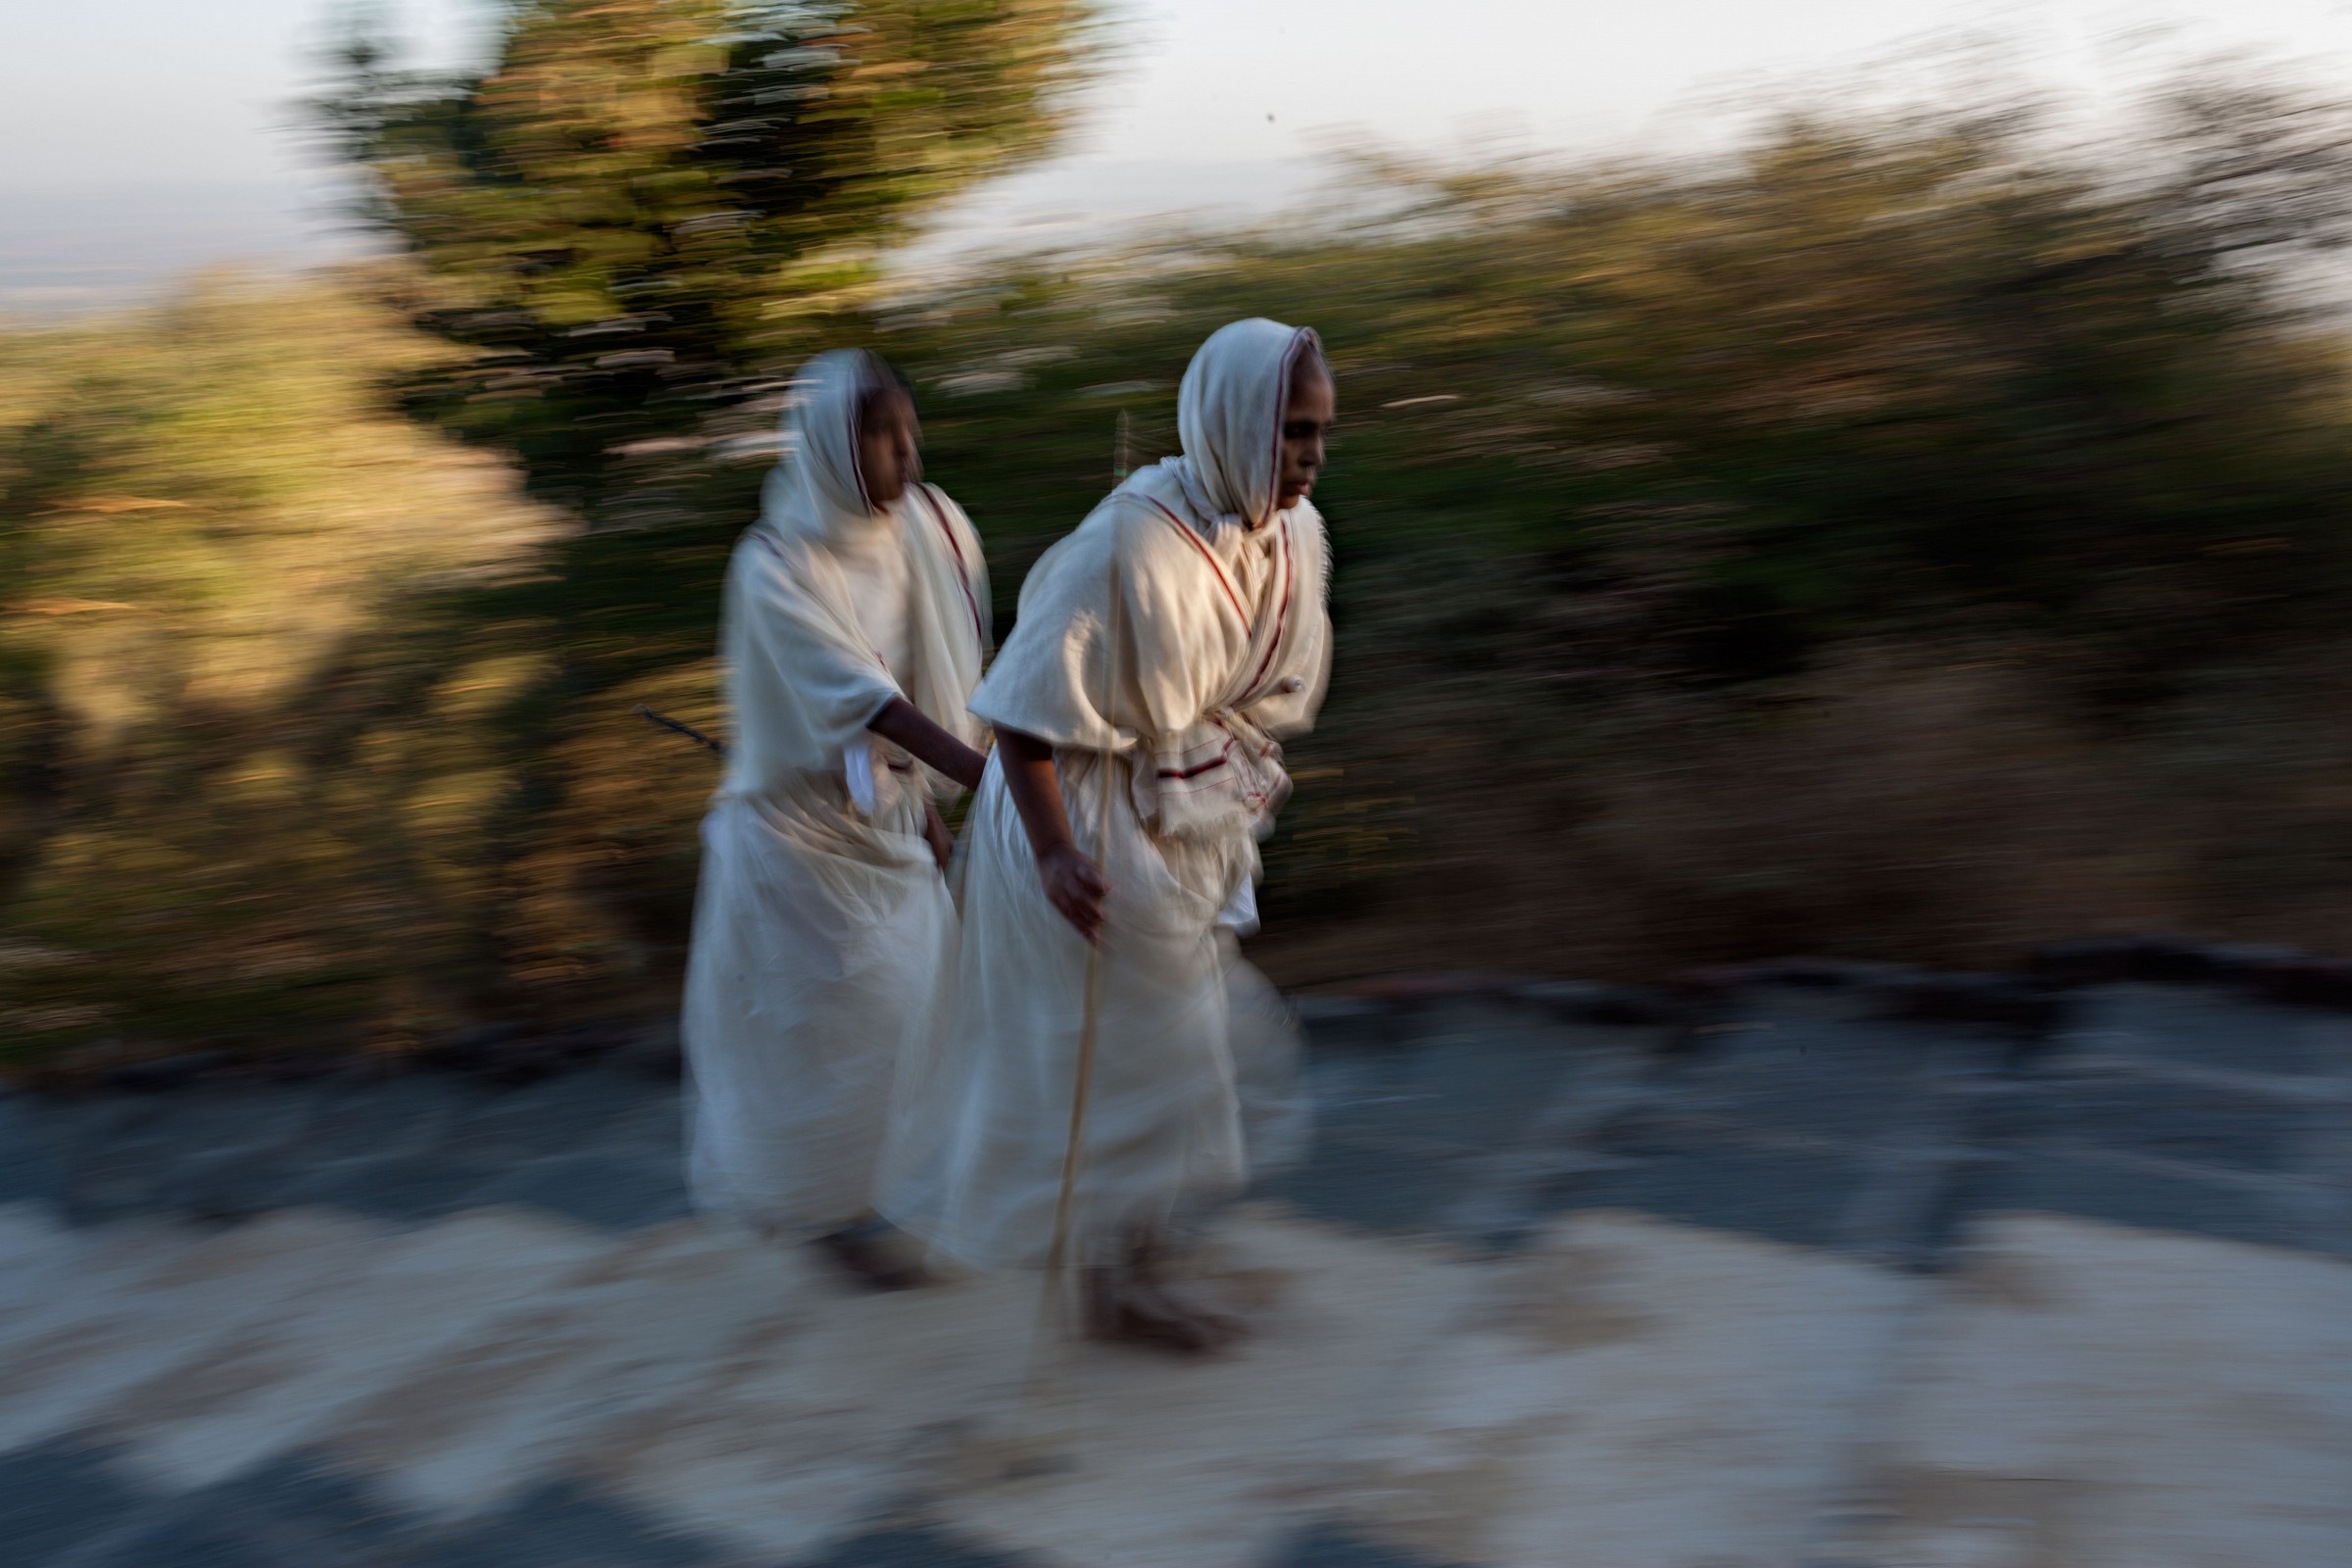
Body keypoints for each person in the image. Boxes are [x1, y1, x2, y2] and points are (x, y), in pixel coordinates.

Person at [885, 318, 1336, 1350]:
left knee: (1163, 1058)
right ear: (1229, 424)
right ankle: (1110, 1287)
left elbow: (1262, 688)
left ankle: (1125, 1269)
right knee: (1126, 1058)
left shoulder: (1289, 537)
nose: (1309, 456)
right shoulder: (1126, 546)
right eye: (1289, 432)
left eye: (1318, 432)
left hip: (1173, 815)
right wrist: (1052, 854)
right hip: (1076, 816)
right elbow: (1019, 714)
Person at [681, 349, 991, 1289]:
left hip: (887, 824)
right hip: (799, 850)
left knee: (912, 1018)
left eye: (909, 432)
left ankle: (853, 1209)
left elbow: (930, 685)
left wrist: (935, 816)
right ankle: (832, 1217)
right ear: (825, 443)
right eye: (878, 436)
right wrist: (999, 785)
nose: (906, 456)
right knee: (844, 1038)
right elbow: (872, 704)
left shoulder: (926, 536)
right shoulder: (773, 564)